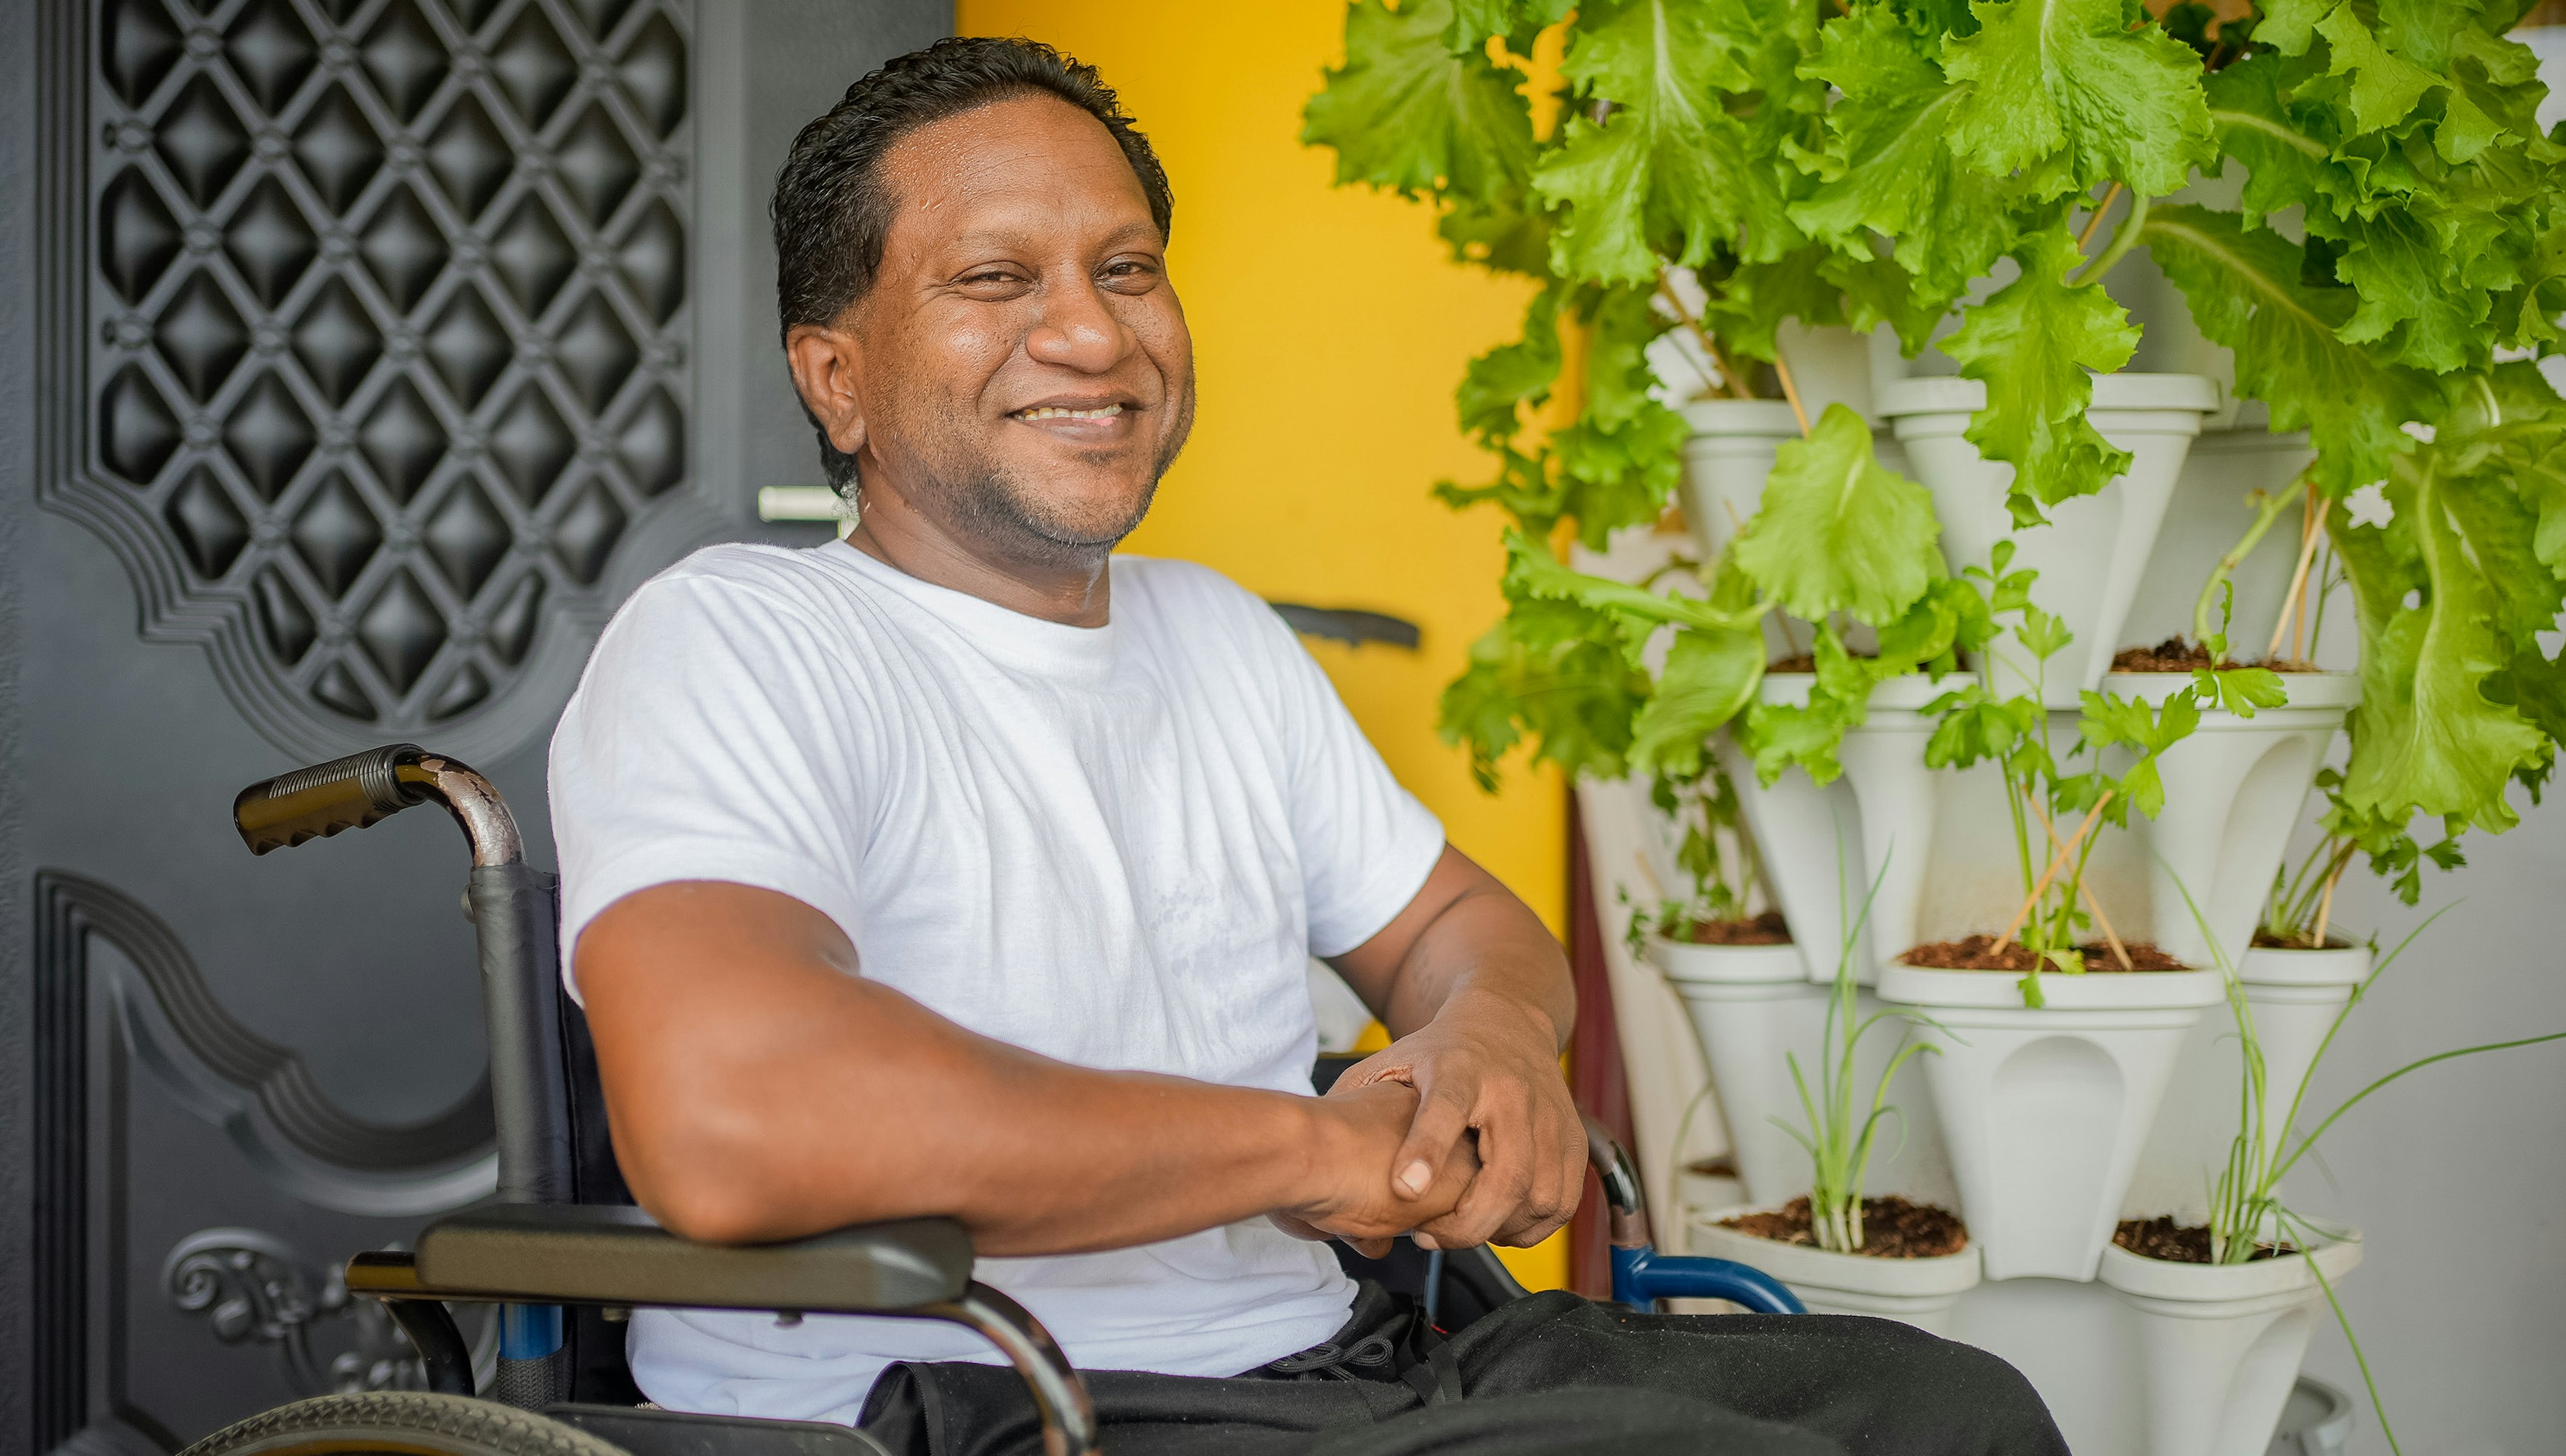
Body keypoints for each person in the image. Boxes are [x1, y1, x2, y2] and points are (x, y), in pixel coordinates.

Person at [549, 35, 2066, 1456]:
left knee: (1955, 1414)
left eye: (1127, 268)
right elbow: (734, 1119)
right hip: (975, 1395)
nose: (1089, 331)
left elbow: (1470, 928)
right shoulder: (741, 640)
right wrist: (1308, 1152)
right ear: (837, 378)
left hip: (1333, 1365)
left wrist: (1483, 1036)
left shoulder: (1212, 636)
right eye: (998, 277)